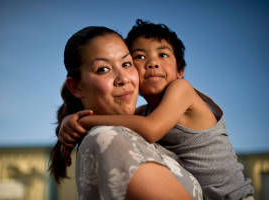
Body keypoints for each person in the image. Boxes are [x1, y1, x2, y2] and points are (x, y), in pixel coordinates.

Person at [59, 20, 255, 200]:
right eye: (140, 57)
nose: (152, 63)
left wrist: (81, 121)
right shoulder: (143, 114)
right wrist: (70, 123)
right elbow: (123, 122)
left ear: (180, 71)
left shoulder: (182, 90)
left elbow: (150, 129)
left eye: (163, 55)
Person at [48, 25, 203, 200]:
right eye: (103, 69)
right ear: (76, 87)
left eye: (127, 64)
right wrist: (79, 121)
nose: (123, 79)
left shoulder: (135, 125)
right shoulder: (108, 137)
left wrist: (80, 121)